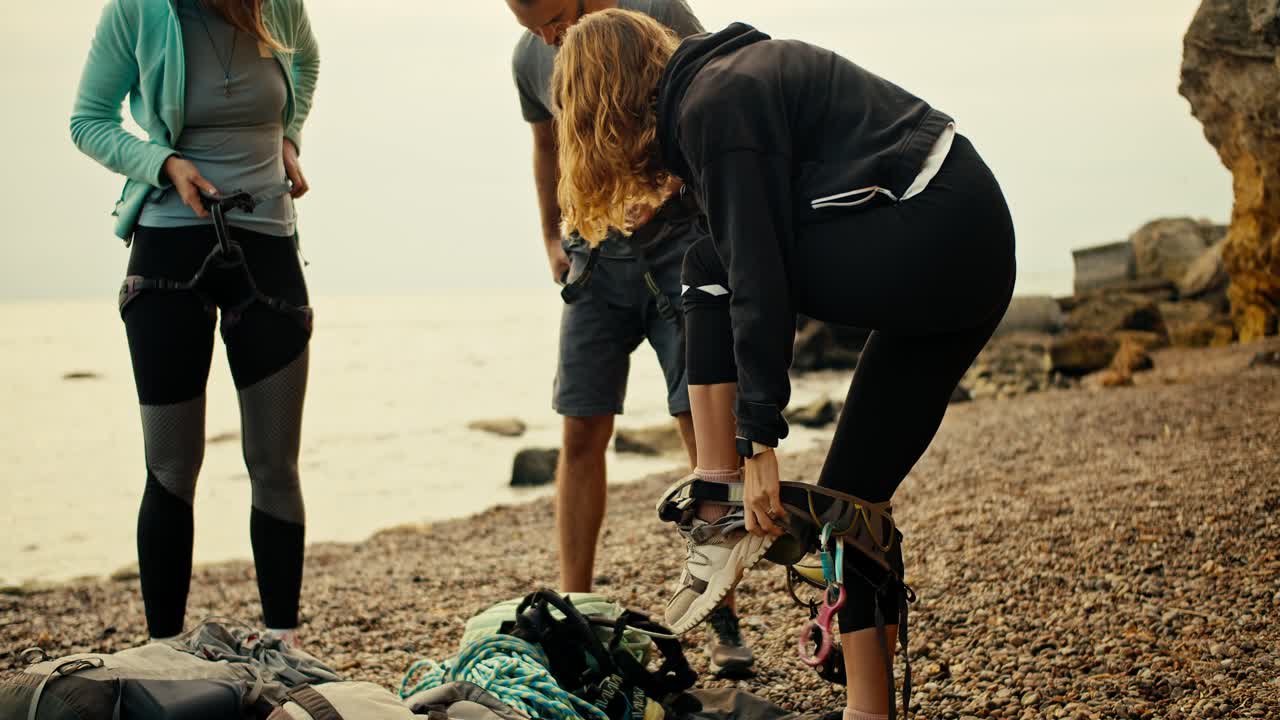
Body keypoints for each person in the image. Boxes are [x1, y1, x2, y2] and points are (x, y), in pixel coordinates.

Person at [552, 11, 1016, 719]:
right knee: (850, 504)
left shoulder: (717, 101)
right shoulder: (718, 97)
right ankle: (869, 710)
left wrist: (757, 442)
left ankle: (719, 505)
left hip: (941, 230)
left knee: (711, 267)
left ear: (602, 104)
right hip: (965, 254)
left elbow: (757, 279)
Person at [504, 0, 756, 676]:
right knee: (581, 429)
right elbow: (546, 146)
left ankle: (721, 610)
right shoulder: (529, 58)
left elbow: (712, 95)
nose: (550, 40)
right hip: (594, 260)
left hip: (678, 250)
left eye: (554, 21)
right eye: (532, 30)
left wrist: (681, 192)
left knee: (698, 427)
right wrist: (552, 237)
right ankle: (576, 604)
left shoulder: (657, 9)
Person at [70, 0, 320, 644]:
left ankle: (284, 643)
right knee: (172, 465)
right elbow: (88, 121)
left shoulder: (278, 6)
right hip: (169, 251)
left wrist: (288, 137)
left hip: (266, 247)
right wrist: (163, 164)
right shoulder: (138, 12)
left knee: (275, 462)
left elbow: (310, 63)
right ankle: (164, 652)